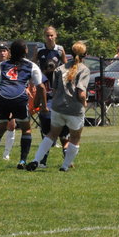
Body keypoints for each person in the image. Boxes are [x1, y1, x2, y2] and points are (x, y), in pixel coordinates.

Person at [27, 41, 90, 172]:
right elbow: (81, 93)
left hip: (57, 108)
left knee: (52, 134)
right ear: (85, 55)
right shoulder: (84, 69)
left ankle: (36, 160)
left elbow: (54, 91)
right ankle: (65, 166)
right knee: (75, 138)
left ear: (70, 53)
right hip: (74, 109)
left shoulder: (59, 69)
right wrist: (84, 102)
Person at [0, 40, 46, 170]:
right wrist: (43, 106)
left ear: (10, 51)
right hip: (19, 97)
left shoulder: (3, 64)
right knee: (26, 129)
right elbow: (41, 87)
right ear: (26, 51)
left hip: (2, 97)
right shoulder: (31, 65)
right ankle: (22, 161)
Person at [33, 25, 69, 167]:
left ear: (56, 36)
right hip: (44, 89)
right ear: (44, 36)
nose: (49, 37)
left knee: (63, 129)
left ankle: (67, 159)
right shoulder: (40, 49)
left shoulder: (59, 50)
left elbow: (66, 66)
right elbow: (33, 64)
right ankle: (43, 160)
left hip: (58, 91)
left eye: (51, 35)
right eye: (47, 35)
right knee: (46, 127)